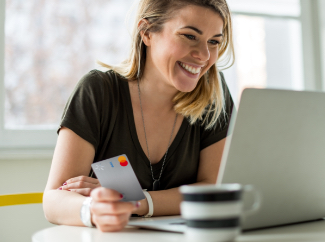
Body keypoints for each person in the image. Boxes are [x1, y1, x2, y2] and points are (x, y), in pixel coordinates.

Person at [43, 0, 235, 232]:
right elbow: (54, 200)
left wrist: (139, 201)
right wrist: (95, 208)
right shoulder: (98, 91)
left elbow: (214, 189)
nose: (204, 55)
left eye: (214, 41)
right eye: (190, 36)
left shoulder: (214, 97)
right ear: (146, 32)